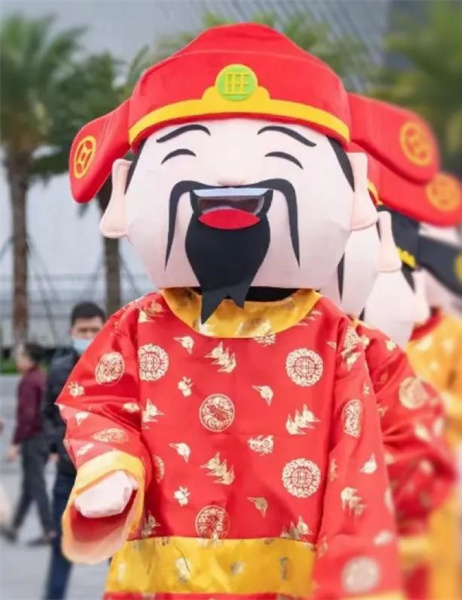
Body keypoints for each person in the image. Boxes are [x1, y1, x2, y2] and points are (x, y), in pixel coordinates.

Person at [55, 23, 403, 600]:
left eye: (280, 156)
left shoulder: (337, 340)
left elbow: (370, 451)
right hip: (167, 572)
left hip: (295, 571)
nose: (234, 179)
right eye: (184, 155)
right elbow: (98, 403)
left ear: (352, 193)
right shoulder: (138, 329)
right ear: (125, 192)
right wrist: (111, 464)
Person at [42, 301, 105, 600]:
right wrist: (58, 445)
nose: (89, 336)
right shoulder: (58, 370)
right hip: (68, 472)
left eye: (95, 330)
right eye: (83, 330)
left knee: (116, 545)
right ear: (72, 332)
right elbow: (48, 413)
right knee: (62, 543)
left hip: (107, 471)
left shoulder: (118, 365)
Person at [0, 342, 54, 545]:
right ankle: (14, 526)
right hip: (44, 437)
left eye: (20, 355)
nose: (17, 359)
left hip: (33, 439)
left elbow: (27, 416)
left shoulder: (29, 382)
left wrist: (15, 443)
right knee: (29, 485)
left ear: (29, 359)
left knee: (36, 485)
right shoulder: (42, 377)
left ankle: (49, 530)